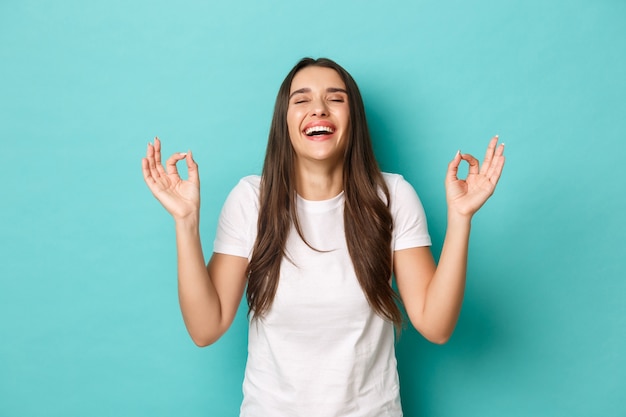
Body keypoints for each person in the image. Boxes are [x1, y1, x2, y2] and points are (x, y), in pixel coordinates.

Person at [141, 57, 505, 417]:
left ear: (354, 119)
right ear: (284, 123)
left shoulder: (392, 196)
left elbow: (436, 325)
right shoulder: (251, 200)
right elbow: (206, 328)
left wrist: (460, 219)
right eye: (301, 100)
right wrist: (186, 222)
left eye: (335, 98)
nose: (318, 109)